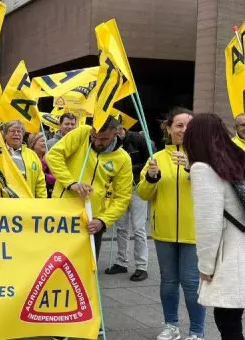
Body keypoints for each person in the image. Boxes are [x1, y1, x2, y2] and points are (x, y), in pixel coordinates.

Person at [137, 107, 205, 340]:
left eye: (189, 126)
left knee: (191, 283)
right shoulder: (155, 159)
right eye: (179, 125)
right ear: (168, 128)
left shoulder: (203, 157)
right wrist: (151, 177)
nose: (184, 130)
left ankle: (197, 332)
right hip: (163, 231)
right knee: (168, 282)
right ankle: (171, 326)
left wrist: (192, 167)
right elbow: (144, 194)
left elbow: (213, 190)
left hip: (194, 232)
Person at [184, 113, 245, 340]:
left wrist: (206, 267)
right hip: (241, 246)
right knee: (232, 315)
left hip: (231, 253)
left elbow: (208, 224)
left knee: (227, 319)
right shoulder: (236, 158)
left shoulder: (202, 168)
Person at [45, 116, 133, 259]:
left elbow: (122, 197)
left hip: (92, 221)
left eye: (103, 139)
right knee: (55, 264)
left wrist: (103, 221)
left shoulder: (123, 159)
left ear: (116, 134)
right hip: (63, 213)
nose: (97, 142)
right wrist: (71, 183)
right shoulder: (82, 133)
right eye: (94, 137)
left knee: (87, 272)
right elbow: (53, 156)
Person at [104, 126, 155, 281]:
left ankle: (141, 266)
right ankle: (121, 261)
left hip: (137, 187)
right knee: (121, 227)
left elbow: (149, 161)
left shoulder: (138, 139)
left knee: (138, 227)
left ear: (121, 129)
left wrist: (129, 168)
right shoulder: (112, 144)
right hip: (120, 190)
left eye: (115, 130)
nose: (114, 135)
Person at [2, 120, 46, 198]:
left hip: (27, 203)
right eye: (12, 131)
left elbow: (40, 183)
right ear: (5, 135)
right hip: (4, 204)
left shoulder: (32, 155)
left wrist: (41, 202)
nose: (16, 134)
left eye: (19, 131)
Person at [28, 132, 55, 198]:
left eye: (46, 141)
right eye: (42, 141)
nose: (45, 143)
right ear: (33, 143)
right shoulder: (28, 158)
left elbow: (55, 177)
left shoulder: (49, 159)